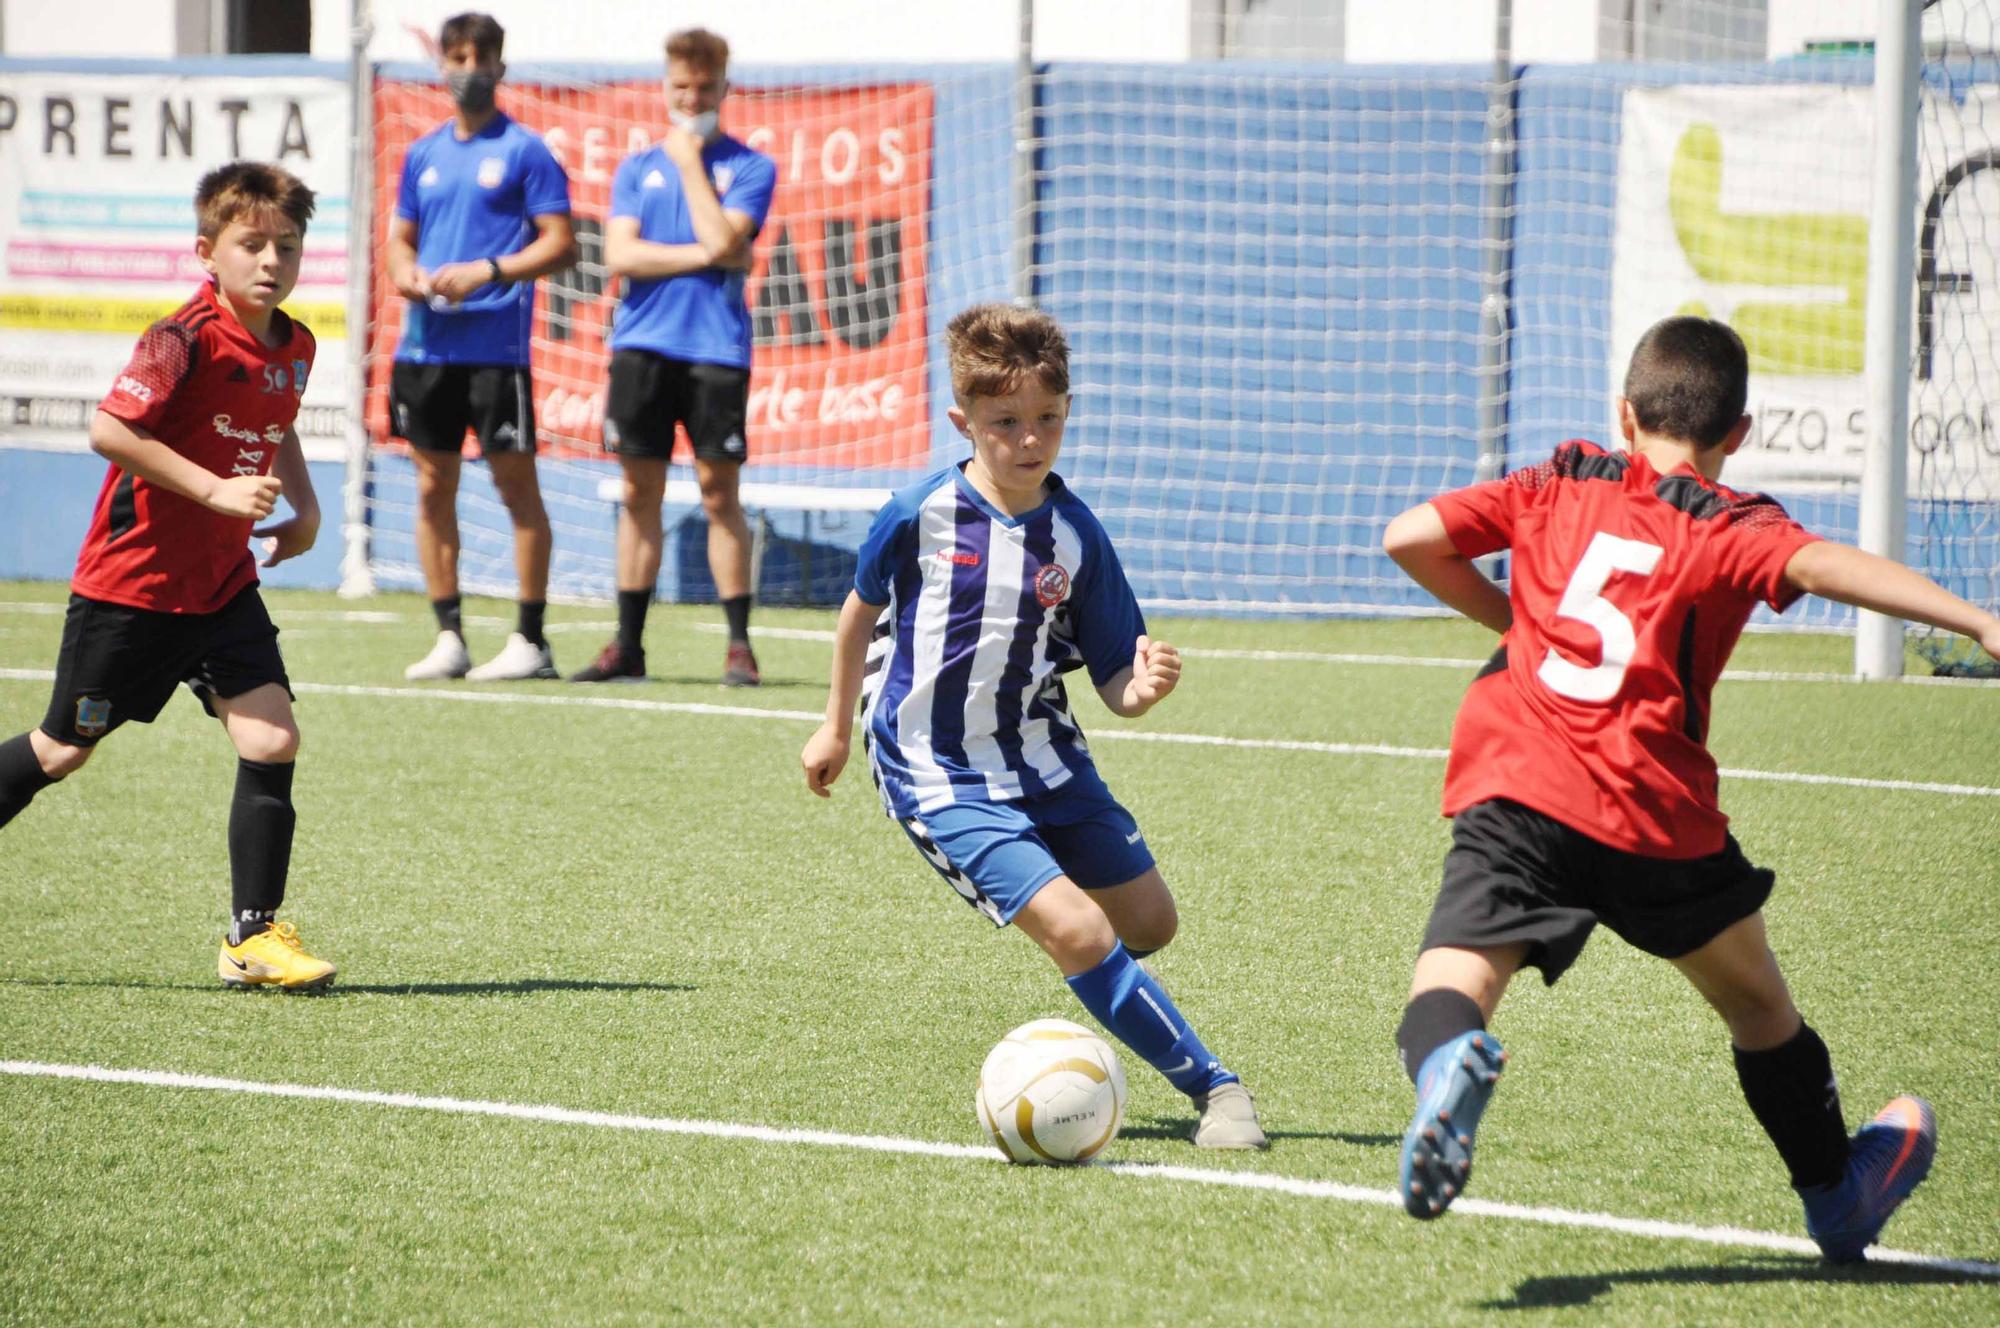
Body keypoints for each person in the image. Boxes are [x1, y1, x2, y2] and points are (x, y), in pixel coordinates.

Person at [1381, 315, 2000, 1257]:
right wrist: (1978, 618)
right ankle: (1836, 1195)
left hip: (1520, 780)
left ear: (1622, 416)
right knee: (1756, 1007)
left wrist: (1516, 625)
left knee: (1456, 975)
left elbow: (1411, 536)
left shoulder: (1561, 478)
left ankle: (1446, 1074)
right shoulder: (1732, 524)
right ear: (1738, 436)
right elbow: (1828, 565)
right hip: (1651, 812)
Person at [799, 304, 1267, 1150]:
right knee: (1081, 930)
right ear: (963, 422)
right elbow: (856, 613)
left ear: (1067, 412)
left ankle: (1088, 963)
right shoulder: (917, 514)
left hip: (1045, 755)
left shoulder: (1078, 536)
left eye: (1046, 419)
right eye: (1006, 422)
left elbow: (1117, 678)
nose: (1029, 439)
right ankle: (1219, 1090)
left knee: (1150, 924)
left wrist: (1145, 686)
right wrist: (834, 727)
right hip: (936, 765)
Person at [0, 162, 338, 990]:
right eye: (251, 244)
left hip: (221, 585)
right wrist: (217, 488)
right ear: (207, 251)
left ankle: (250, 940)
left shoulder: (296, 345)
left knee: (271, 736)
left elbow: (278, 421)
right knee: (62, 750)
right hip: (134, 588)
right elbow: (112, 431)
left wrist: (307, 508)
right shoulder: (178, 337)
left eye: (286, 247)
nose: (270, 261)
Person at [572, 27, 776, 687]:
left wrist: (690, 164)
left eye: (705, 86)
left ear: (725, 87)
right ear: (666, 86)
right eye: (681, 86)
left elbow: (727, 234)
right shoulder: (637, 168)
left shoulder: (749, 167)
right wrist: (711, 255)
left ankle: (739, 645)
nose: (692, 98)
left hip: (716, 349)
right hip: (641, 348)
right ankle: (628, 646)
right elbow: (622, 256)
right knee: (639, 493)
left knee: (721, 494)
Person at [388, 11, 576, 682]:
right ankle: (449, 637)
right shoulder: (423, 154)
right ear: (441, 64)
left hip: (497, 352)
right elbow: (400, 241)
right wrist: (406, 274)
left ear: (499, 66)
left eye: (480, 57)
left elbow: (561, 241)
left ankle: (530, 639)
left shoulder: (526, 150)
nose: (467, 68)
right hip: (424, 351)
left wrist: (487, 271)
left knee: (514, 486)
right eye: (456, 56)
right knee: (432, 487)